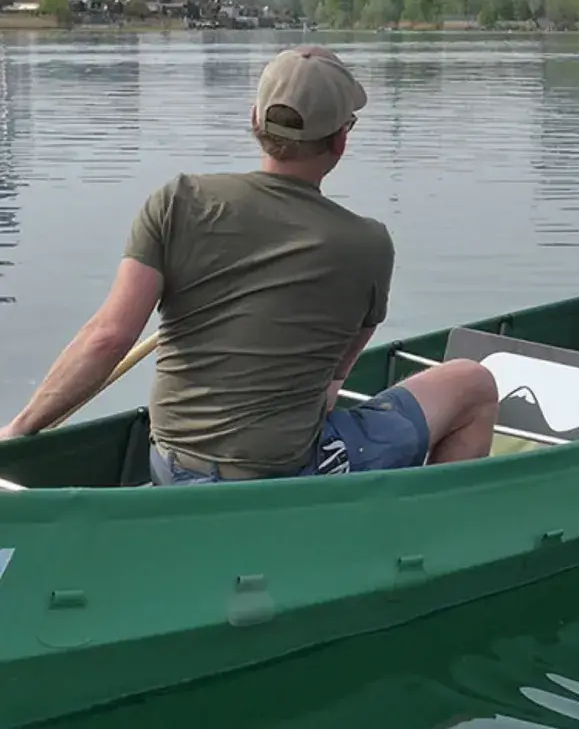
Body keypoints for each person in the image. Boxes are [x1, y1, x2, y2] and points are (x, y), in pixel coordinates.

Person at [0, 45, 499, 483]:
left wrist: (21, 427)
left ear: (255, 119)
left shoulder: (177, 201)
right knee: (472, 383)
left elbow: (108, 336)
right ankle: (418, 533)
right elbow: (340, 366)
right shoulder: (367, 244)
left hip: (171, 467)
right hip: (282, 474)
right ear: (341, 141)